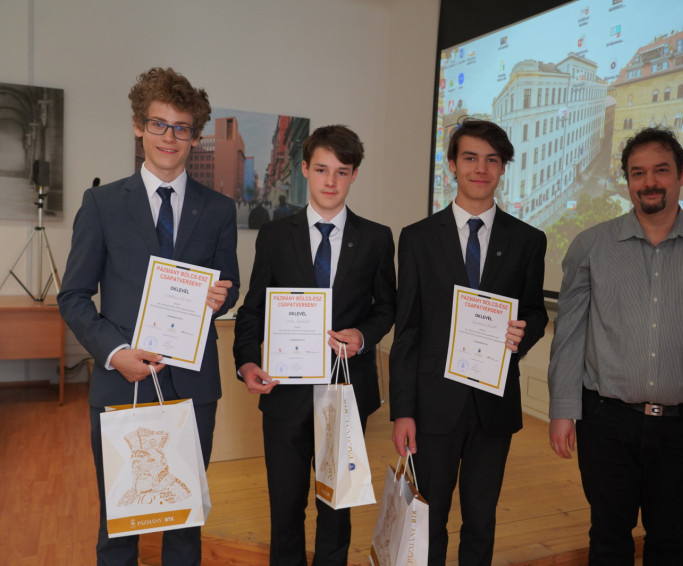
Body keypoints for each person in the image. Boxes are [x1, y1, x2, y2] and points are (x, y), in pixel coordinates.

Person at [548, 127, 683, 565]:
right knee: (608, 540)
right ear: (627, 181)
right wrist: (562, 409)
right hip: (607, 422)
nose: (649, 182)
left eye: (661, 170)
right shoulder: (591, 246)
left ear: (682, 175)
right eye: (638, 173)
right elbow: (570, 333)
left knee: (670, 542)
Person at [57, 67, 239, 566]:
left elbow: (230, 284)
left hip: (193, 388)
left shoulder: (219, 210)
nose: (169, 137)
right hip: (121, 383)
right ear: (139, 126)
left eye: (181, 128)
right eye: (158, 124)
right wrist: (115, 353)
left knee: (184, 525)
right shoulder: (101, 204)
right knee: (119, 527)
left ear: (195, 137)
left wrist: (222, 297)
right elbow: (73, 296)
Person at [233, 125, 396, 566]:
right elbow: (252, 309)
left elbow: (386, 307)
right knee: (286, 509)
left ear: (354, 175)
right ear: (305, 169)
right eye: (322, 169)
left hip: (345, 394)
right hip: (285, 393)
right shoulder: (275, 235)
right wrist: (247, 362)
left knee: (336, 508)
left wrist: (363, 336)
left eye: (341, 172)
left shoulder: (377, 238)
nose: (331, 181)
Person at [390, 119, 548, 565]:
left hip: (492, 407)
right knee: (429, 518)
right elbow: (407, 330)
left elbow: (535, 311)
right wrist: (402, 411)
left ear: (503, 168)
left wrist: (523, 332)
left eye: (492, 160)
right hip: (432, 408)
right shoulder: (418, 238)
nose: (481, 168)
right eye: (471, 158)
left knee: (481, 520)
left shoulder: (528, 240)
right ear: (452, 165)